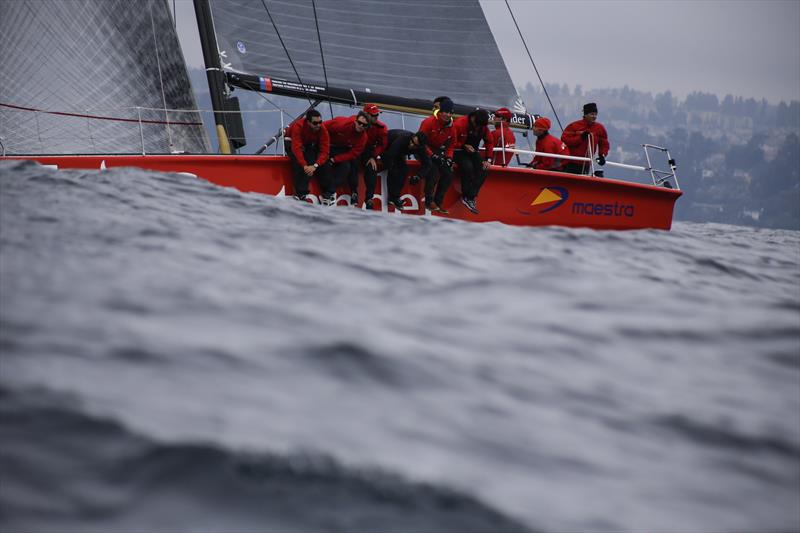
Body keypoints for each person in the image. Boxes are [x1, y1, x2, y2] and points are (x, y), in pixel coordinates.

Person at [320, 111, 370, 205]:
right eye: (359, 123)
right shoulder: (342, 124)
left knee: (346, 167)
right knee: (324, 164)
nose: (361, 126)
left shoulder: (363, 138)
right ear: (355, 121)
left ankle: (329, 193)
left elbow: (353, 154)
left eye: (364, 125)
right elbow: (322, 127)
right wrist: (323, 148)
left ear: (367, 127)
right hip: (326, 144)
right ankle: (323, 190)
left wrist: (335, 159)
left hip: (342, 148)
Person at [452, 108, 493, 214]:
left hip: (472, 151)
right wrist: (463, 145)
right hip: (457, 151)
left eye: (480, 126)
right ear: (473, 117)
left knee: (484, 168)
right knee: (467, 167)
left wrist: (488, 159)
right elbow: (451, 141)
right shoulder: (460, 123)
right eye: (477, 124)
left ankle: (470, 197)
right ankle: (466, 195)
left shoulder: (483, 127)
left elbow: (489, 142)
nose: (477, 127)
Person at [418, 97, 455, 212]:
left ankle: (438, 202)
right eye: (445, 112)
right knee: (433, 169)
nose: (447, 115)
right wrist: (432, 155)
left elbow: (451, 146)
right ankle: (429, 201)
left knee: (448, 173)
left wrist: (449, 158)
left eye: (450, 112)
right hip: (422, 148)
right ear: (440, 111)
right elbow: (420, 141)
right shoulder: (428, 122)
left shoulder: (452, 127)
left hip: (437, 151)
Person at [378, 130, 429, 211]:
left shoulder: (421, 148)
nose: (411, 145)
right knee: (393, 169)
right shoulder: (403, 139)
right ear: (412, 137)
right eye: (412, 141)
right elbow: (390, 156)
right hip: (386, 146)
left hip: (399, 152)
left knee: (404, 170)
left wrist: (418, 176)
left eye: (415, 145)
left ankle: (394, 197)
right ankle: (393, 197)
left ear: (420, 147)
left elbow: (427, 164)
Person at [285, 109, 330, 200]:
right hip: (291, 141)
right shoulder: (298, 126)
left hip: (307, 143)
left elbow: (325, 151)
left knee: (312, 162)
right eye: (315, 123)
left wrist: (315, 165)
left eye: (320, 122)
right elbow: (296, 148)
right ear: (308, 122)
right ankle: (300, 193)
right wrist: (304, 165)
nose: (318, 125)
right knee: (298, 163)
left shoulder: (322, 129)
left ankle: (326, 191)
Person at [348, 103, 388, 207]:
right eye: (373, 115)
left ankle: (369, 198)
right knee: (353, 163)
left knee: (372, 167)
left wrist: (373, 156)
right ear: (365, 114)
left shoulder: (381, 127)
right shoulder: (355, 121)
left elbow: (382, 145)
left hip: (367, 151)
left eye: (377, 115)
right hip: (354, 147)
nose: (376, 117)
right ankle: (354, 192)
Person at [561, 102, 609, 176]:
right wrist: (580, 138)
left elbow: (604, 143)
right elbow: (565, 139)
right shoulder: (574, 126)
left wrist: (602, 155)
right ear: (585, 114)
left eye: (595, 114)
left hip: (587, 163)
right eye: (592, 114)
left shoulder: (600, 128)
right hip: (571, 162)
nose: (594, 116)